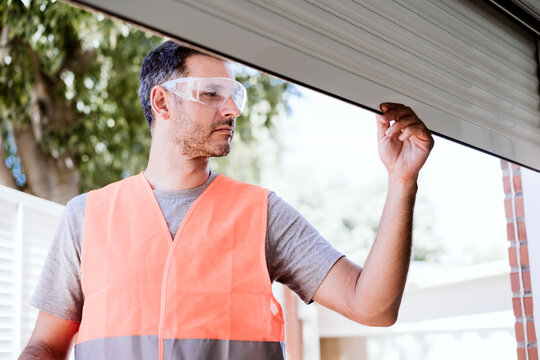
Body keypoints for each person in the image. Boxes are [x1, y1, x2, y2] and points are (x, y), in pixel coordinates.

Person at [19, 40, 434, 360]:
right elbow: (45, 345)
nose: (233, 108)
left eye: (234, 94)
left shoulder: (263, 214)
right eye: (212, 93)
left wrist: (402, 182)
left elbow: (373, 306)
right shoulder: (87, 217)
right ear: (162, 101)